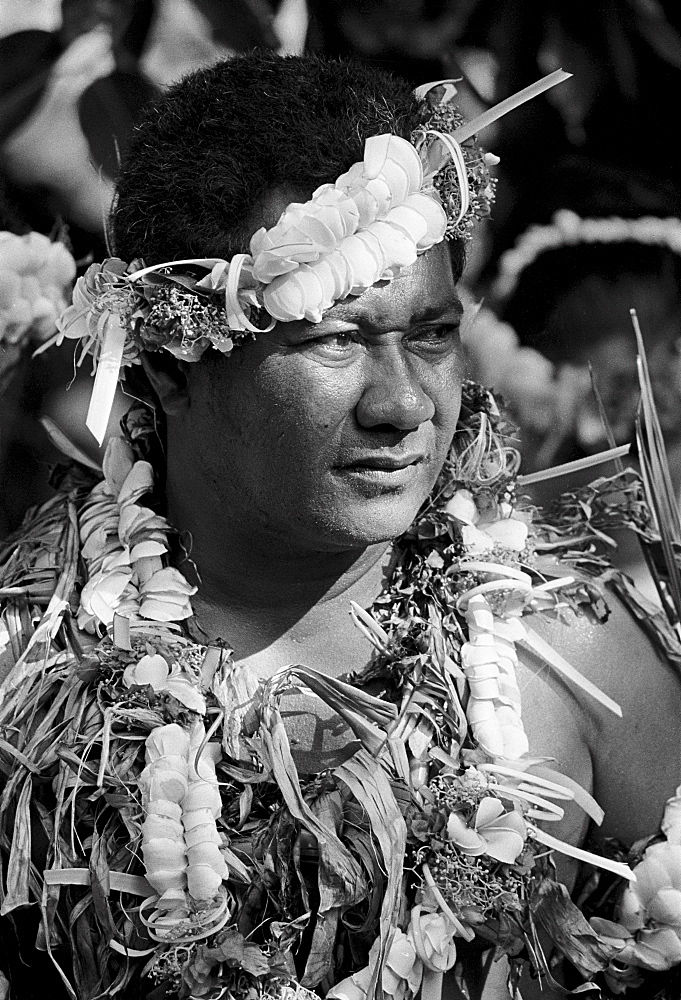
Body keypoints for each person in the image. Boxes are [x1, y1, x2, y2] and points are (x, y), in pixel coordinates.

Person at [0, 52, 680, 1000]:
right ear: (166, 365)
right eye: (331, 339)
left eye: (431, 335)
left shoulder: (573, 659)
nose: (403, 404)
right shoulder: (23, 663)